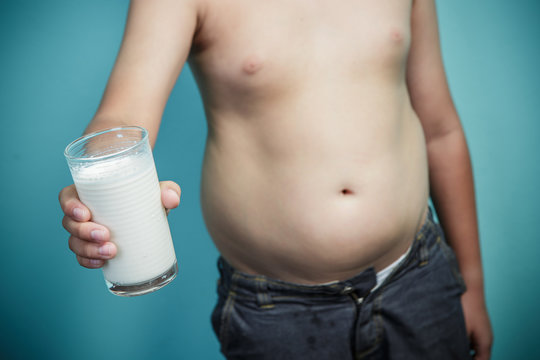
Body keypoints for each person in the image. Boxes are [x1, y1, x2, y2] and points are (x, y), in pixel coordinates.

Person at [58, 0, 493, 358]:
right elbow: (122, 118)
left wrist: (470, 282)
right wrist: (99, 182)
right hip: (278, 315)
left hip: (420, 283)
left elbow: (441, 130)